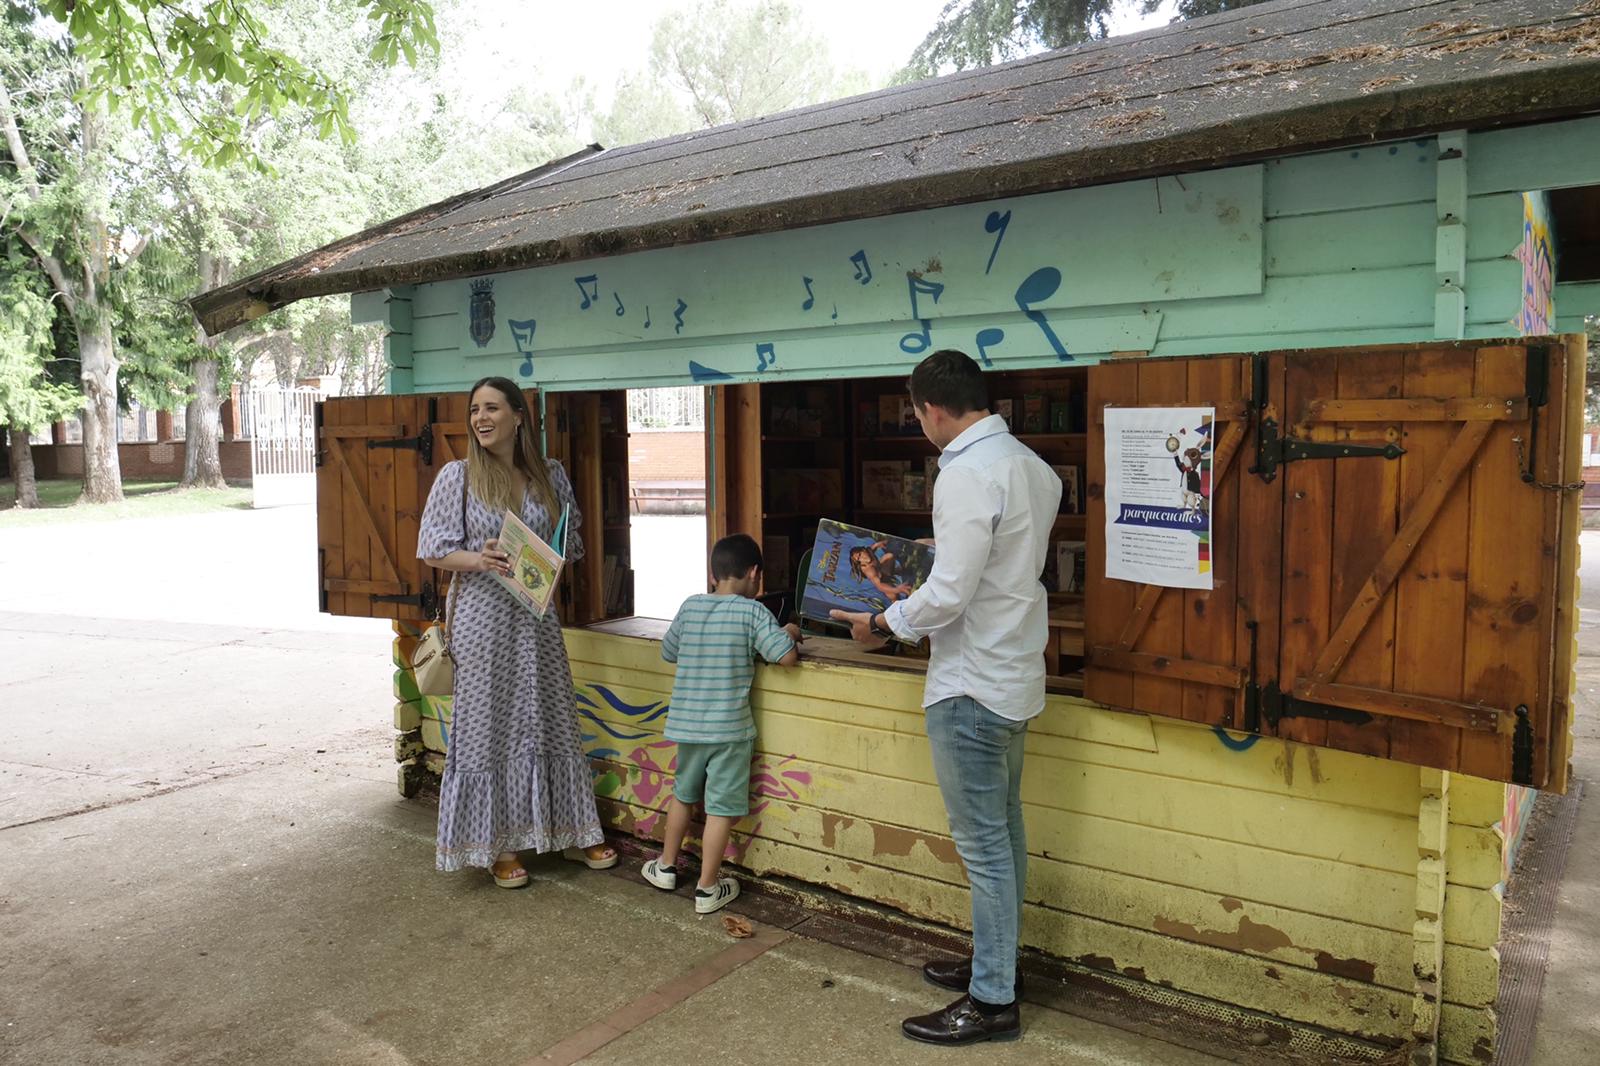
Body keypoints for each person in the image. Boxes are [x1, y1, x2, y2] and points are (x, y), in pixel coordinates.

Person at [832, 349, 1061, 1046]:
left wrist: (883, 623)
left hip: (968, 684)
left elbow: (954, 591)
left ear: (930, 409)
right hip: (1013, 675)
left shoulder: (964, 474)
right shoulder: (1035, 469)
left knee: (984, 845)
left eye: (917, 414)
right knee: (1006, 834)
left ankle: (992, 1002)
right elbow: (990, 568)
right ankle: (999, 965)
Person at [417, 376, 617, 888]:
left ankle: (570, 828)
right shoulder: (457, 477)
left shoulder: (551, 475)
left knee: (551, 715)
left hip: (537, 618)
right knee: (488, 724)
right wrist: (478, 558)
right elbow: (434, 548)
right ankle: (497, 843)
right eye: (475, 410)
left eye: (492, 409)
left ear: (519, 416)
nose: (481, 418)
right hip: (482, 620)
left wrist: (548, 553)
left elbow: (571, 543)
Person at [640, 534, 802, 914]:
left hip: (687, 726)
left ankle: (665, 867)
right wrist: (790, 631)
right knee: (720, 809)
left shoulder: (691, 606)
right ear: (754, 573)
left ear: (713, 575)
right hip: (729, 730)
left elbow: (668, 651)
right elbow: (786, 658)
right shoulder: (752, 612)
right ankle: (707, 888)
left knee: (683, 794)